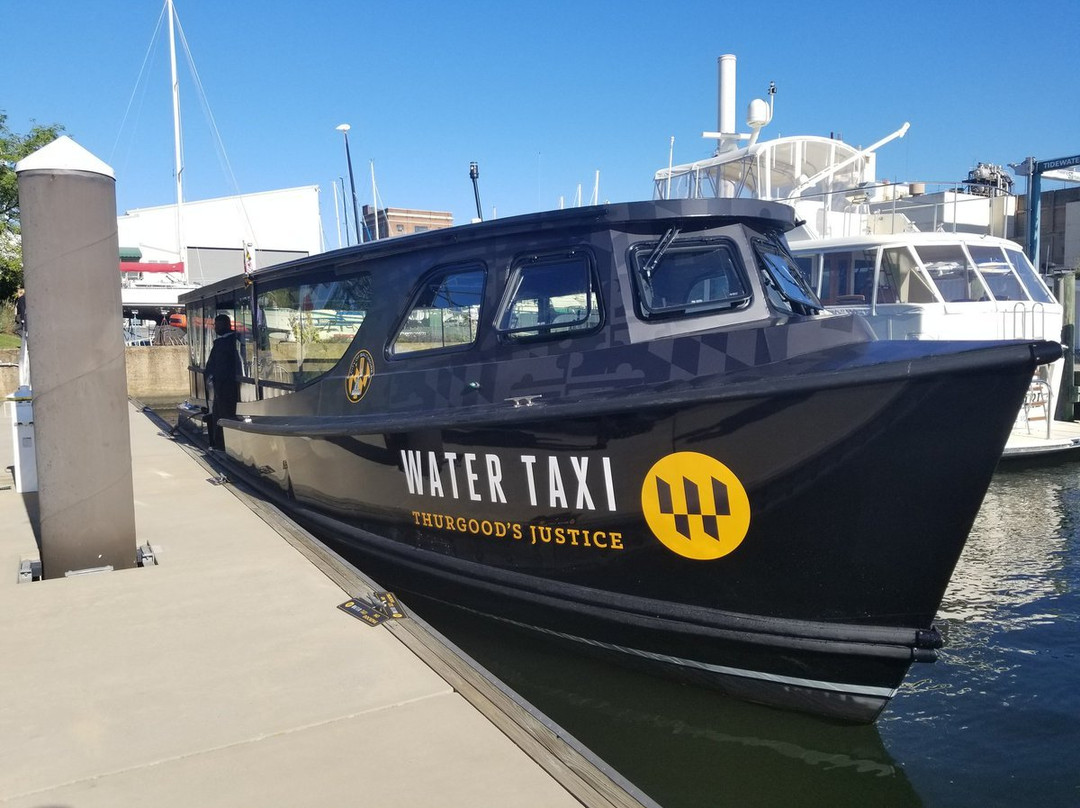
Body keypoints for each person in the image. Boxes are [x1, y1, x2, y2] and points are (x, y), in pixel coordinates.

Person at [204, 313, 242, 450]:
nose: (215, 328)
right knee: (218, 414)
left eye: (218, 325)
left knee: (224, 415)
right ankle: (219, 443)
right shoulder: (225, 342)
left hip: (226, 386)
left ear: (226, 325)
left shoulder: (229, 343)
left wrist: (213, 376)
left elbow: (225, 366)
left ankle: (224, 445)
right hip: (220, 386)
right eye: (215, 325)